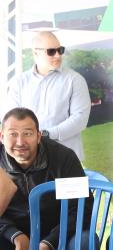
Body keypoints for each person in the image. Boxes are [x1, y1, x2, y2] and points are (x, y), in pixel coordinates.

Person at [0, 108, 90, 250]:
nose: (20, 142)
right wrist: (15, 234)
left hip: (57, 232)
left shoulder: (63, 157)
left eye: (28, 133)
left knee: (87, 241)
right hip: (13, 233)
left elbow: (81, 208)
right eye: (13, 134)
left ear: (39, 135)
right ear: (2, 136)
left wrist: (49, 242)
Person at [6, 31, 90, 160]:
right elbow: (11, 119)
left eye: (60, 50)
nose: (57, 55)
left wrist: (45, 135)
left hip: (66, 158)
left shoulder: (75, 80)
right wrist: (31, 138)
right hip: (29, 159)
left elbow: (80, 119)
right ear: (35, 53)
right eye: (51, 51)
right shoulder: (19, 82)